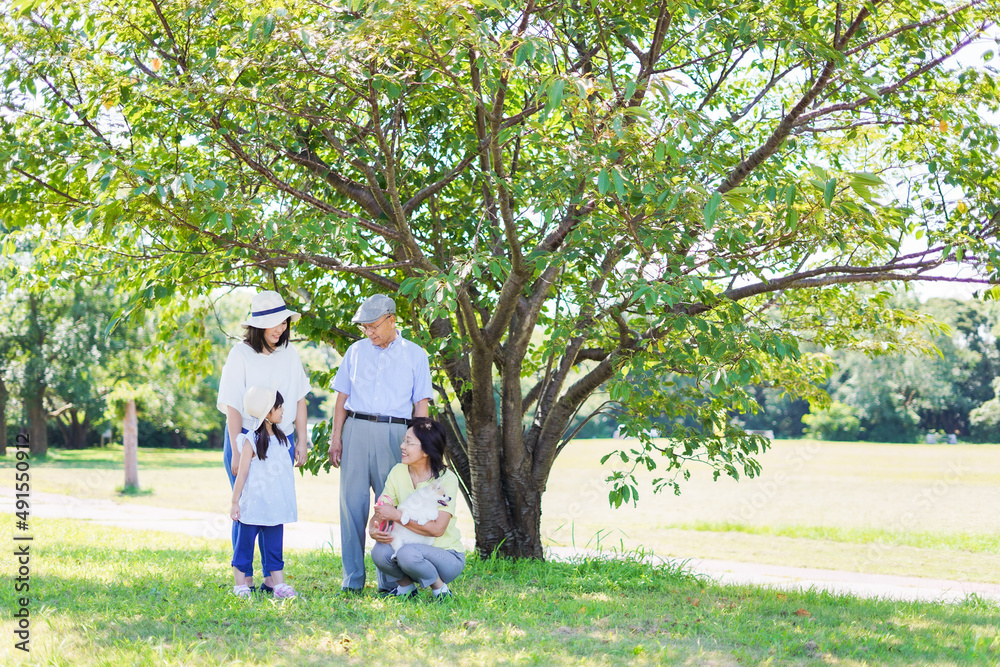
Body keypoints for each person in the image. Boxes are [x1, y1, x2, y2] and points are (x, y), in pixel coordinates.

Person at [327, 294, 433, 594]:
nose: (369, 332)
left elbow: (421, 405)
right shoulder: (355, 351)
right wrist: (336, 439)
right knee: (351, 506)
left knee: (390, 505)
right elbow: (341, 400)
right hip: (356, 429)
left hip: (395, 434)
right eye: (364, 328)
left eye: (373, 326)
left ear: (391, 319)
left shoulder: (416, 355)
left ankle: (390, 582)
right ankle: (352, 581)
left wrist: (419, 447)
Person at [217, 290, 311, 592]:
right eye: (274, 323)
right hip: (245, 440)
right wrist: (234, 448)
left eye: (283, 322)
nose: (280, 329)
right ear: (258, 325)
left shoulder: (290, 354)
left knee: (274, 506)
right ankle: (242, 576)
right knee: (246, 509)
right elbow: (233, 405)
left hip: (280, 441)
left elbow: (299, 398)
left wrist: (302, 440)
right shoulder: (240, 354)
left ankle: (273, 577)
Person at [370, 418, 464, 600]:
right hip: (409, 551)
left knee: (406, 553)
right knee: (380, 552)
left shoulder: (446, 479)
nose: (402, 446)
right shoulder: (398, 471)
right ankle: (406, 589)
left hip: (447, 556)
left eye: (409, 442)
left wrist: (398, 515)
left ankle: (441, 590)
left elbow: (438, 529)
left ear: (427, 450)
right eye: (404, 440)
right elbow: (380, 512)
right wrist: (373, 529)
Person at [230, 386, 298, 599]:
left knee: (274, 547)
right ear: (267, 411)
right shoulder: (250, 440)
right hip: (253, 506)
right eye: (279, 407)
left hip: (275, 508)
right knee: (245, 546)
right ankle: (240, 585)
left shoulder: (282, 439)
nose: (283, 410)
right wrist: (235, 502)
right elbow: (241, 475)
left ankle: (279, 585)